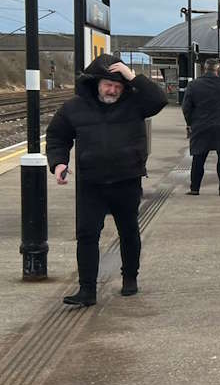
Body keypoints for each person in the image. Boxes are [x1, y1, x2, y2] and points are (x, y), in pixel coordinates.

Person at [45, 54, 167, 307]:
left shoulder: (135, 103)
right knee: (87, 235)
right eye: (107, 85)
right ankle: (87, 290)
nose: (112, 90)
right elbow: (58, 136)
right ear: (96, 83)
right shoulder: (74, 107)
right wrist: (58, 163)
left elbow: (159, 100)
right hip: (91, 182)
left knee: (129, 232)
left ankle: (130, 278)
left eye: (117, 86)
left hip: (126, 178)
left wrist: (132, 75)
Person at [183, 43, 220, 196]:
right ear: (219, 70)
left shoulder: (193, 85)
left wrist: (190, 123)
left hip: (200, 126)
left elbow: (186, 107)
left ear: (204, 69)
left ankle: (194, 188)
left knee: (198, 158)